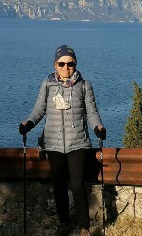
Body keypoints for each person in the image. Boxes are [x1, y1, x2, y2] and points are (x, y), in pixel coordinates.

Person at [20, 45, 106, 236]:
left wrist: (98, 128)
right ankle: (63, 223)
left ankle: (84, 227)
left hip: (79, 142)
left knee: (77, 185)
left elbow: (92, 112)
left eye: (70, 64)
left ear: (75, 64)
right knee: (59, 185)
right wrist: (28, 123)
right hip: (53, 142)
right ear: (55, 64)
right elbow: (39, 109)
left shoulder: (85, 86)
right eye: (62, 63)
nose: (66, 67)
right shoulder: (47, 84)